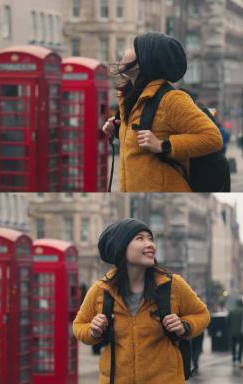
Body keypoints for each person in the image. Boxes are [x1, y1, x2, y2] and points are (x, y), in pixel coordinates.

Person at [73, 218, 210, 383]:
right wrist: (93, 331)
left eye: (150, 239)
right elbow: (79, 326)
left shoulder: (172, 285)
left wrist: (184, 326)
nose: (150, 244)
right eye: (140, 238)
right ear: (121, 248)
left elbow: (202, 314)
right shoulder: (101, 290)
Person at [101, 32, 222, 192]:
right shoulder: (129, 97)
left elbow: (213, 138)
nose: (125, 51)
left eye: (132, 48)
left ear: (145, 61)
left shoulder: (171, 99)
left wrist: (163, 145)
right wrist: (117, 130)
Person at [227, 297, 243, 366]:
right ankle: (239, 358)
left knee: (233, 345)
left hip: (232, 332)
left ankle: (233, 357)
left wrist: (230, 328)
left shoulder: (232, 311)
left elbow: (227, 321)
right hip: (241, 332)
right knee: (240, 345)